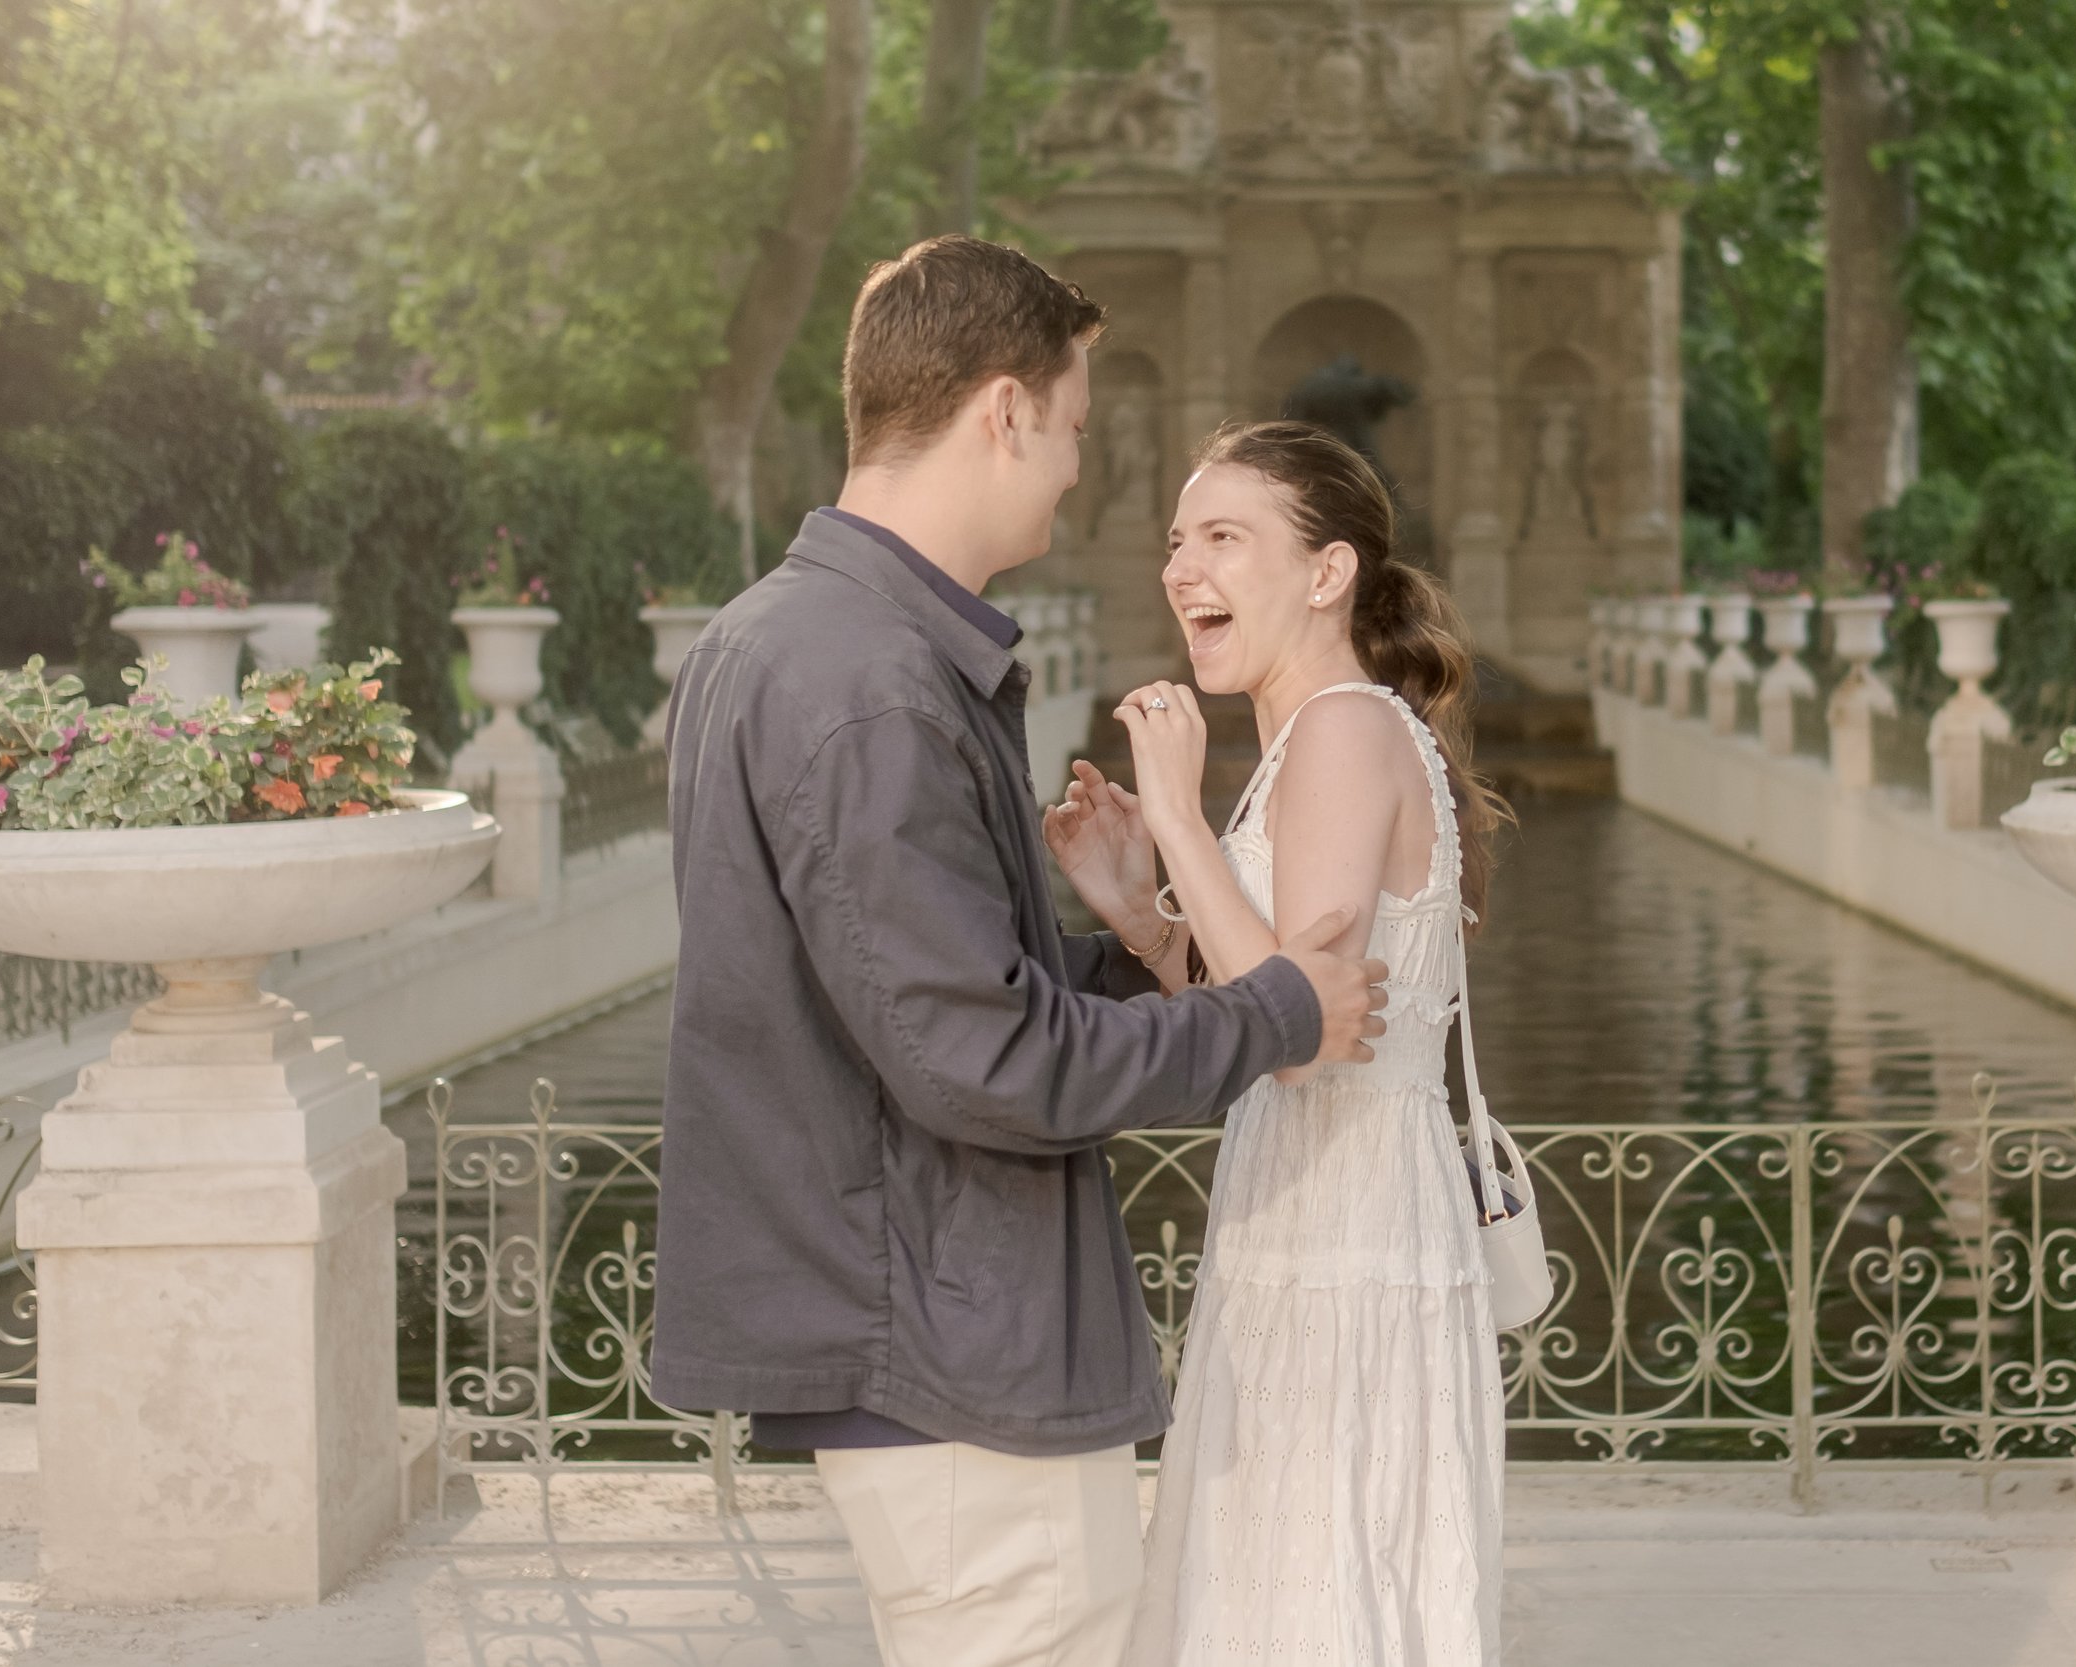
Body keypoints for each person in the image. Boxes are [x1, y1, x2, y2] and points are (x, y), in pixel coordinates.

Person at [650, 239, 1391, 1667]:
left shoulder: (801, 642)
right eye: (1071, 428)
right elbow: (980, 1058)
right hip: (952, 1350)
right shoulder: (862, 680)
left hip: (928, 1329)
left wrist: (1124, 950)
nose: (1072, 468)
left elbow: (909, 991)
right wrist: (1277, 1012)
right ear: (1002, 411)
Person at [1047, 419, 1517, 1662]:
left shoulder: (1345, 730)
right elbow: (1265, 993)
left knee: (1310, 1592)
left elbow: (1304, 1038)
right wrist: (1143, 912)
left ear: (1325, 573)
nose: (1181, 566)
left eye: (1222, 537)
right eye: (1175, 539)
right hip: (1315, 1210)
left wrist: (1178, 818)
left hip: (1349, 1222)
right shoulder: (1316, 738)